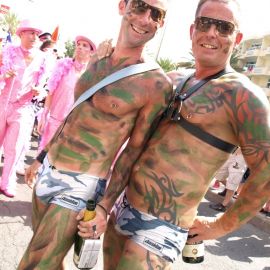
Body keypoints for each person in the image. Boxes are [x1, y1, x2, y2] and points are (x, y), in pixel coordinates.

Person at [78, 0, 270, 269]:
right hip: (123, 208)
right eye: (205, 23)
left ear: (236, 38)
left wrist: (220, 226)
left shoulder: (244, 97)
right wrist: (104, 59)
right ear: (193, 30)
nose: (212, 33)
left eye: (224, 27)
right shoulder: (172, 78)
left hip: (162, 226)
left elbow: (265, 174)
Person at [18, 0, 171, 269]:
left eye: (156, 14)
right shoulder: (98, 61)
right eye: (139, 6)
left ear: (161, 23)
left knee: (36, 263)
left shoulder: (155, 84)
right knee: (51, 262)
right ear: (123, 6)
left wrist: (104, 206)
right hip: (50, 169)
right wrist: (41, 157)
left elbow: (133, 152)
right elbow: (74, 116)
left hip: (82, 185)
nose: (145, 18)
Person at [0, 19, 49, 198]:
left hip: (23, 108)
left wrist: (40, 91)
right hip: (2, 103)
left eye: (37, 34)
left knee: (14, 147)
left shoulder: (43, 59)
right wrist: (4, 76)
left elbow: (45, 87)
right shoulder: (7, 52)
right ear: (21, 34)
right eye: (30, 32)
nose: (34, 37)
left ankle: (7, 181)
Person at [37, 35, 96, 152]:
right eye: (78, 44)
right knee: (43, 158)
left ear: (91, 52)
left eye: (84, 46)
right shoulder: (63, 66)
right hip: (54, 119)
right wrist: (44, 115)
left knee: (58, 163)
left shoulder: (91, 75)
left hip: (72, 125)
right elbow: (51, 91)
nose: (79, 47)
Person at [209, 147, 247, 212]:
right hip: (234, 153)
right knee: (219, 174)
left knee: (232, 182)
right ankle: (231, 190)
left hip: (242, 158)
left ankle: (223, 206)